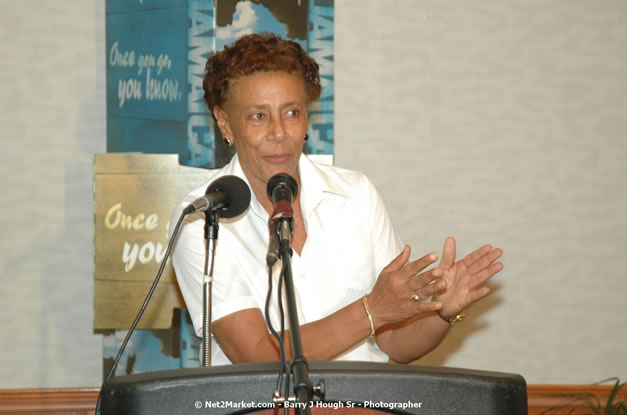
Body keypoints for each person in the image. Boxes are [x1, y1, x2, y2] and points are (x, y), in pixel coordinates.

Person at [170, 33, 503, 366]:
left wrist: (441, 313)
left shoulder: (356, 195)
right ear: (225, 122)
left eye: (291, 113)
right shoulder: (203, 219)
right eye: (258, 116)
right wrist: (371, 310)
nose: (279, 133)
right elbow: (255, 354)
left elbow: (395, 342)